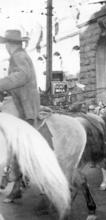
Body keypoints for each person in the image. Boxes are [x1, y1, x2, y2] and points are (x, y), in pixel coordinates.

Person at [0, 29, 40, 202]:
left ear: (10, 44)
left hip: (23, 105)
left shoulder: (18, 56)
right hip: (20, 101)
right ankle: (14, 179)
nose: (5, 47)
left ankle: (9, 174)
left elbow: (23, 76)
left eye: (6, 44)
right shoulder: (19, 55)